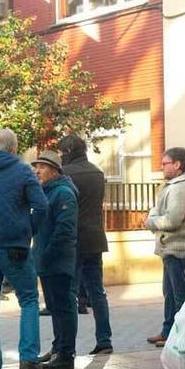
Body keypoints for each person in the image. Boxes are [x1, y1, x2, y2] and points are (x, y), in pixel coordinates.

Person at [0, 129, 48, 369]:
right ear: (13, 149)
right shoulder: (22, 171)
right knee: (29, 300)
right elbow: (41, 206)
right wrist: (26, 231)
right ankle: (28, 356)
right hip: (15, 247)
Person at [59, 134, 113, 355]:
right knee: (97, 292)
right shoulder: (97, 172)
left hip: (74, 240)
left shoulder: (66, 174)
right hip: (95, 238)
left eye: (62, 153)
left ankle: (66, 345)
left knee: (69, 293)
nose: (60, 157)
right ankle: (105, 339)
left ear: (69, 151)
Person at [31, 150, 78, 369]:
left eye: (42, 166)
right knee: (54, 307)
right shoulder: (45, 192)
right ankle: (58, 347)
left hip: (59, 261)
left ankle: (66, 354)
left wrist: (47, 254)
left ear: (54, 170)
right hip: (46, 260)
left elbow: (64, 230)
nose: (37, 171)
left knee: (64, 307)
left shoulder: (63, 193)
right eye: (36, 166)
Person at [145, 147, 185, 348]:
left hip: (177, 247)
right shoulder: (170, 185)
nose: (161, 167)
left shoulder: (180, 187)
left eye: (165, 163)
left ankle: (182, 336)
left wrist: (151, 221)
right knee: (169, 293)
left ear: (178, 164)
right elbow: (157, 210)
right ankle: (168, 330)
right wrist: (153, 217)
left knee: (180, 295)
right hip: (168, 248)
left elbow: (173, 219)